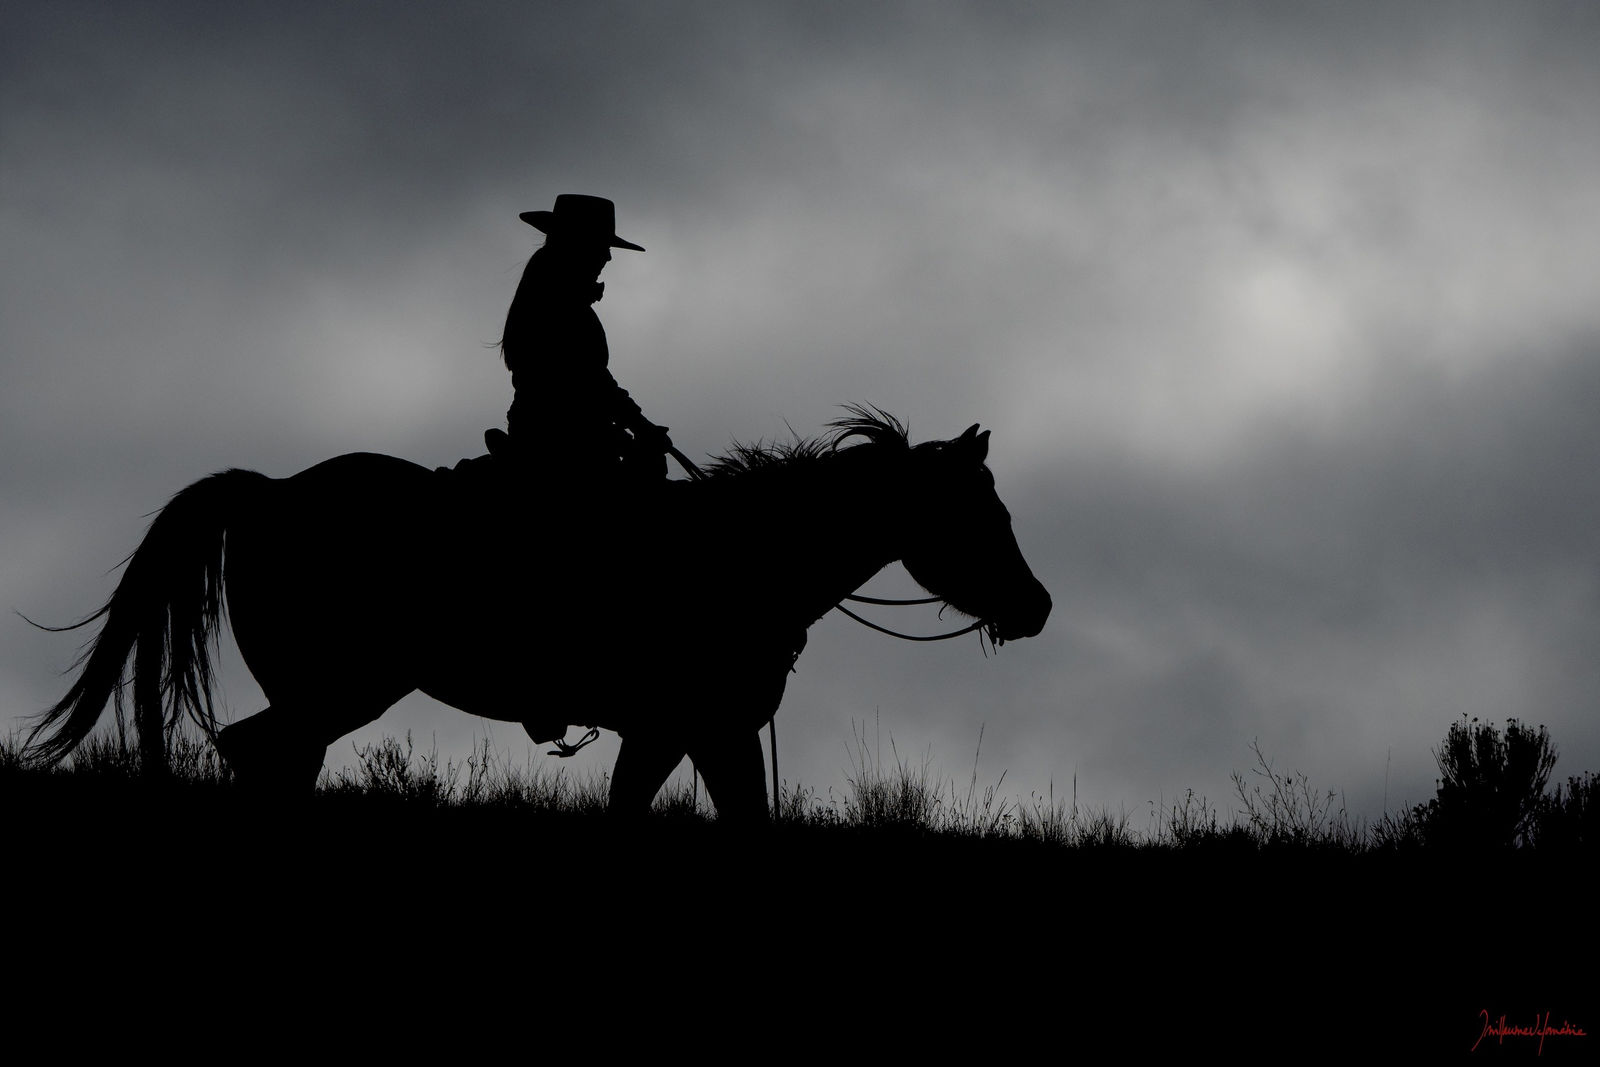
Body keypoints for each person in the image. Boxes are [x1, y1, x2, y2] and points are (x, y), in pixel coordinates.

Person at [494, 193, 671, 483]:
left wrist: (633, 426)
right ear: (579, 246)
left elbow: (593, 382)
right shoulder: (560, 307)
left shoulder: (549, 299)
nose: (608, 255)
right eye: (602, 246)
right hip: (560, 444)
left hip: (553, 432)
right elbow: (586, 382)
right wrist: (638, 426)